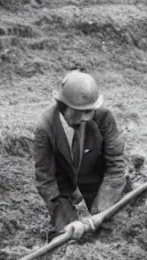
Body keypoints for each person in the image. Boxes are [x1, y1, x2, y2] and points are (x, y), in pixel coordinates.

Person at [34, 71, 126, 241]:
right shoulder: (45, 126)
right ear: (64, 105)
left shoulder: (103, 117)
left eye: (90, 111)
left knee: (115, 231)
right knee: (70, 240)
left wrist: (101, 214)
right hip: (65, 188)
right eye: (80, 111)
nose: (87, 117)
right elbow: (46, 181)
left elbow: (115, 168)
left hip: (98, 183)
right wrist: (67, 223)